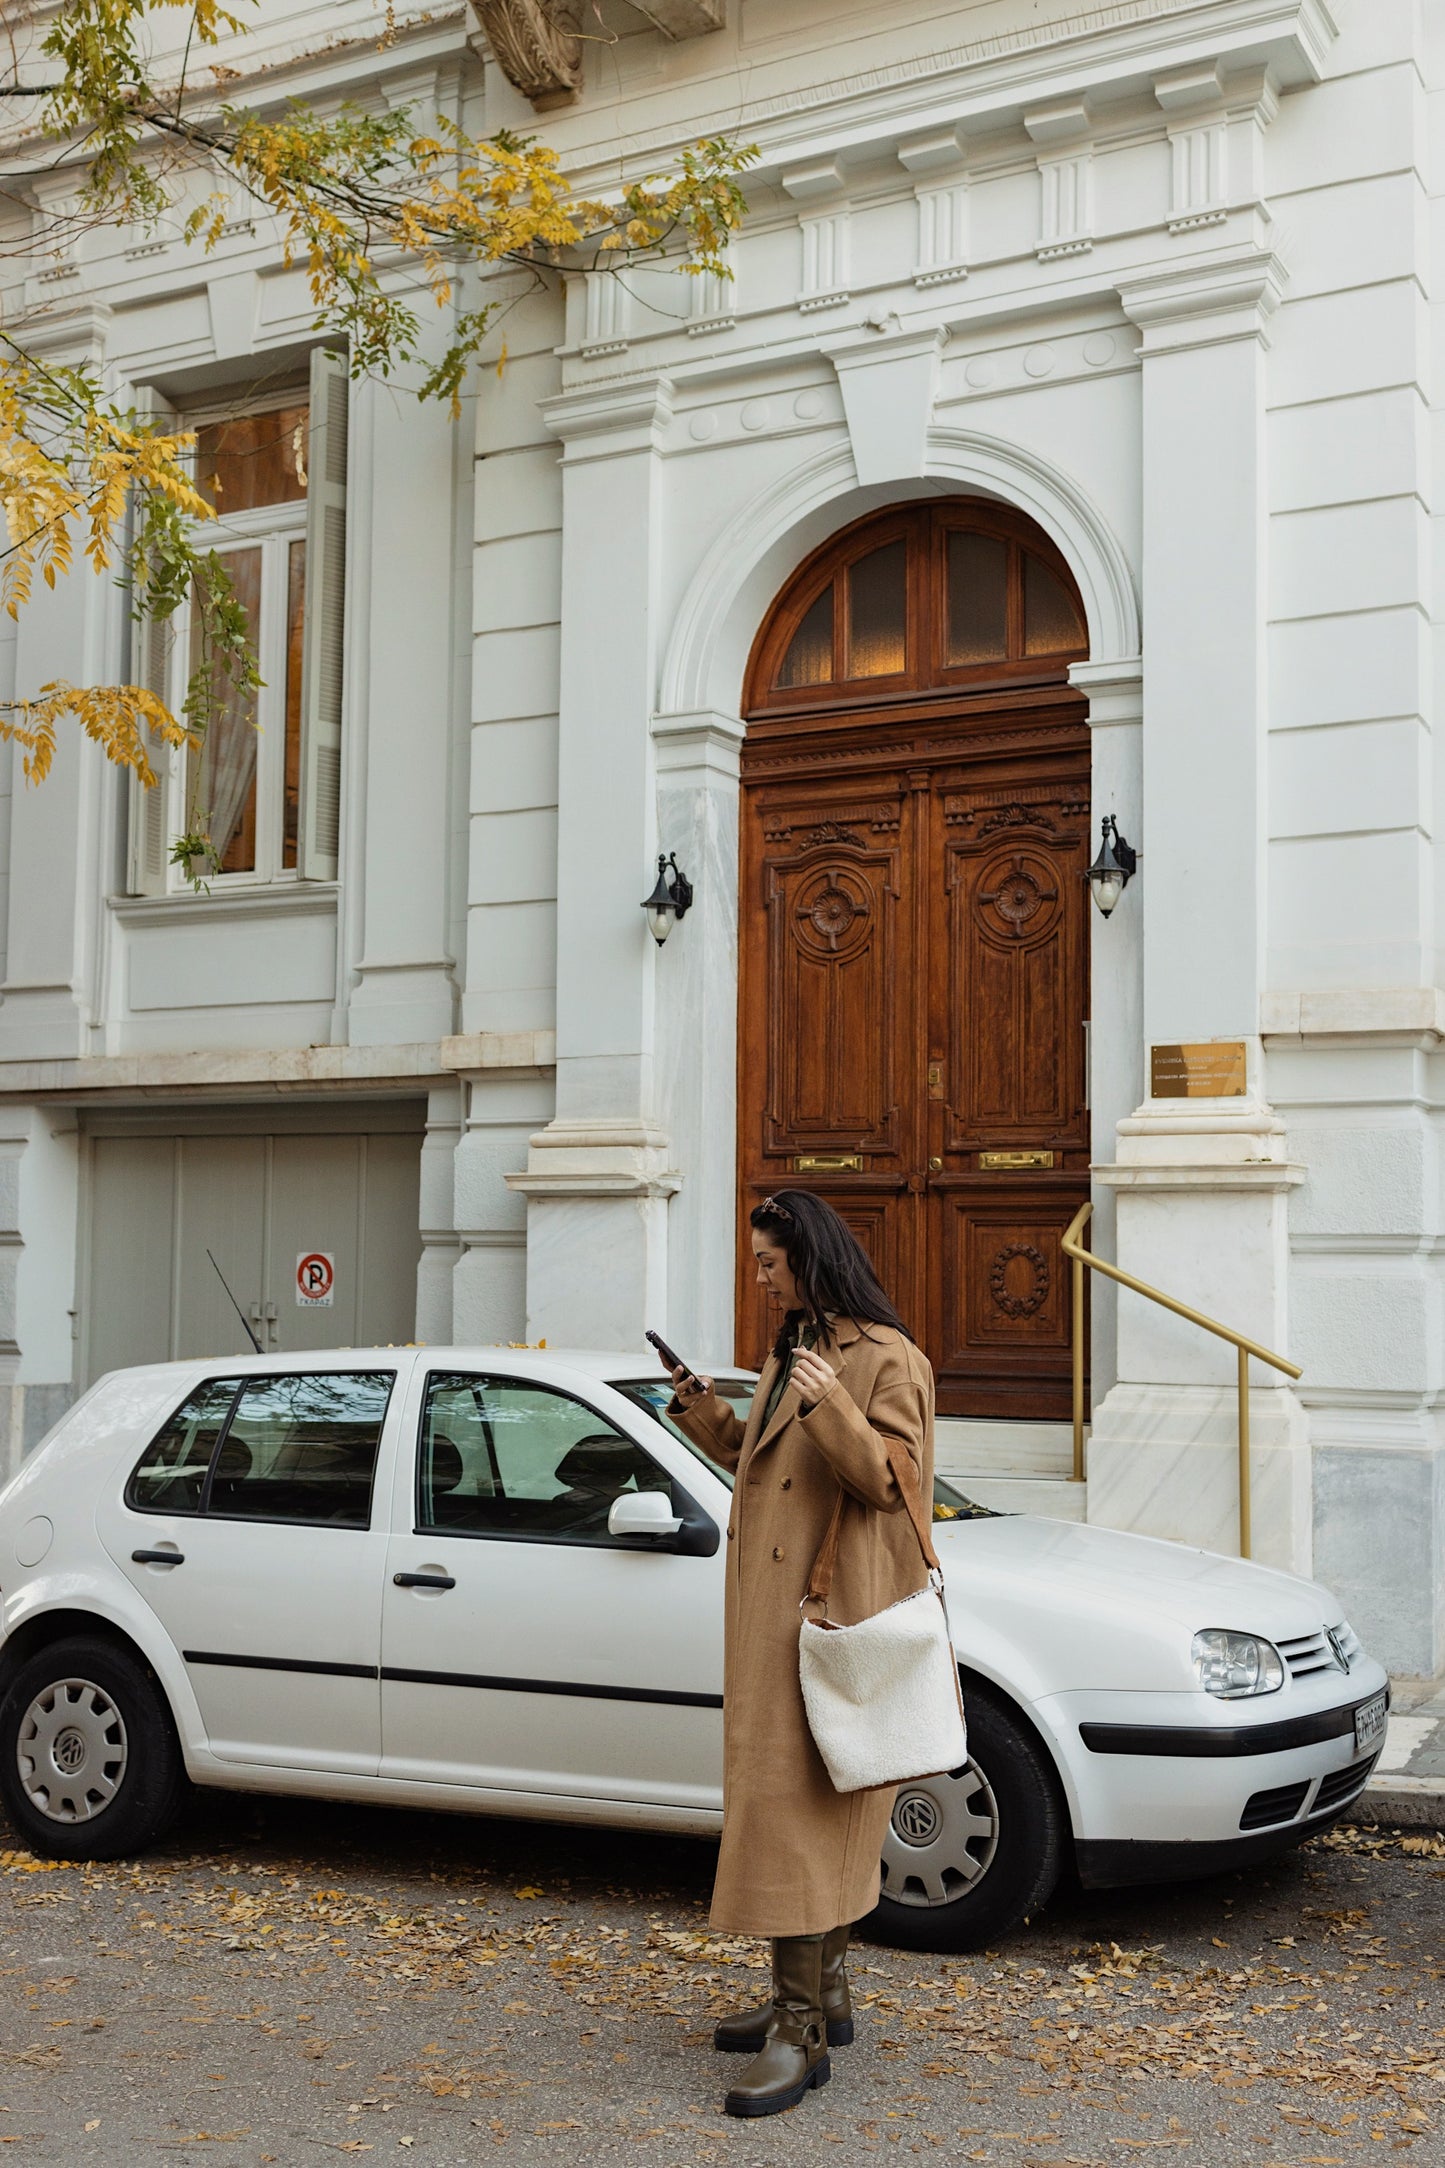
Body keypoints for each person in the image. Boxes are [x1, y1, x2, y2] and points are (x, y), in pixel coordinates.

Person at [662, 1190, 936, 2120]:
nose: (760, 1277)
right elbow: (763, 1460)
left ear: (810, 1258)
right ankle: (822, 1996)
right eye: (755, 1264)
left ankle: (800, 2032)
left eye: (770, 1263)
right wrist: (704, 1412)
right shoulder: (794, 1349)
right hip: (768, 1619)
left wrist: (831, 1406)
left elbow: (892, 1483)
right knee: (790, 1808)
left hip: (825, 1618)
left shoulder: (888, 1358)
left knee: (798, 1816)